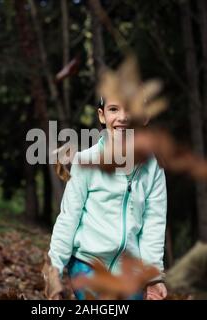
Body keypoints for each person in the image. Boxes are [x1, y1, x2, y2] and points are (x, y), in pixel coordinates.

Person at [47, 96, 168, 300]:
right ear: (102, 116)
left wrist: (153, 277)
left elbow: (153, 224)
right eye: (114, 109)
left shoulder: (153, 168)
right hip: (87, 262)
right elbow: (69, 218)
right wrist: (54, 269)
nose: (123, 117)